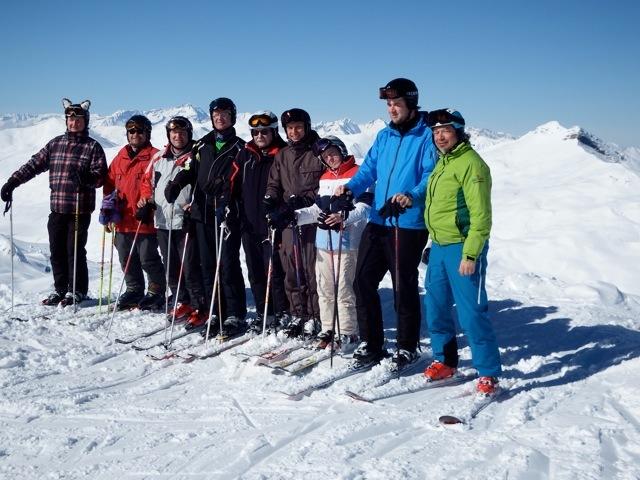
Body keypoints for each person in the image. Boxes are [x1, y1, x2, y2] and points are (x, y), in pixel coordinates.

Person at [335, 78, 437, 370]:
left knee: (403, 285)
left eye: (397, 103)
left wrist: (411, 197)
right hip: (379, 218)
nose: (391, 109)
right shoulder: (384, 135)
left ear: (411, 104)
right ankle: (372, 342)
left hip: (408, 222)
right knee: (362, 280)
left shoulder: (426, 136)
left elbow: (431, 176)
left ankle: (407, 346)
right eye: (389, 104)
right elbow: (369, 168)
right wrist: (351, 188)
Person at [421, 108, 501, 395]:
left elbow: (481, 216)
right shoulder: (442, 162)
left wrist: (470, 254)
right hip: (440, 246)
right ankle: (445, 361)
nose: (439, 136)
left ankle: (488, 373)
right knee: (436, 308)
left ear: (458, 131)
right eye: (435, 132)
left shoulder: (472, 164)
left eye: (445, 130)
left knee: (471, 313)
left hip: (463, 247)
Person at [1, 98, 107, 306]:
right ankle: (60, 289)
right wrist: (12, 182)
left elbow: (101, 177)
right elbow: (34, 164)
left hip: (79, 208)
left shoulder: (92, 147)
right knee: (56, 250)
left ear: (85, 121)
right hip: (57, 207)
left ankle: (77, 291)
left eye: (78, 119)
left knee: (74, 250)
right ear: (66, 120)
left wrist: (86, 178)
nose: (74, 123)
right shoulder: (55, 144)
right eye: (70, 119)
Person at [165, 98, 246, 335]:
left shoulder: (240, 147)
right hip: (202, 213)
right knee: (207, 265)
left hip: (227, 215)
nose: (219, 117)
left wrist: (227, 189)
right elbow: (191, 169)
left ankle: (234, 313)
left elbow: (243, 181)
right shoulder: (202, 145)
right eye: (215, 114)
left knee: (228, 264)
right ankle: (215, 310)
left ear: (232, 117)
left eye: (224, 113)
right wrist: (177, 183)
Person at [295, 136, 371, 350]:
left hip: (347, 242)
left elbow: (365, 209)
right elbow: (317, 210)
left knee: (344, 290)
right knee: (325, 289)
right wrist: (294, 216)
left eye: (333, 153)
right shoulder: (325, 178)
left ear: (342, 150)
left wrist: (343, 217)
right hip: (323, 242)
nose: (330, 158)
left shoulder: (358, 174)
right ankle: (328, 328)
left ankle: (347, 332)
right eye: (325, 156)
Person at [264, 108, 323, 338]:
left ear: (306, 127)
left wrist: (307, 199)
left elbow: (325, 184)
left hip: (311, 219)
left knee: (310, 268)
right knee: (291, 267)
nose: (294, 132)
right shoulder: (283, 154)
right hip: (289, 219)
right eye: (290, 128)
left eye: (298, 127)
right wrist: (270, 199)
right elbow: (274, 182)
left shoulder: (317, 151)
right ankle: (298, 313)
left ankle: (315, 316)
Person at [140, 116, 205, 323]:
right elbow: (147, 182)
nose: (178, 136)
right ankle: (181, 300)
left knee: (190, 266)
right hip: (162, 221)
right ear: (169, 135)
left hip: (185, 221)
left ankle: (198, 305)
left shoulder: (196, 157)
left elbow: (202, 186)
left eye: (183, 132)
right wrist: (147, 200)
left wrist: (194, 205)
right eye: (174, 133)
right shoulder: (159, 158)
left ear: (189, 134)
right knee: (171, 266)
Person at [232, 111, 290, 333]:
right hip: (249, 222)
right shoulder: (245, 154)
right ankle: (263, 311)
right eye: (255, 132)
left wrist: (282, 211)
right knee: (255, 270)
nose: (259, 135)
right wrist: (228, 204)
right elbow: (233, 183)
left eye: (264, 131)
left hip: (274, 223)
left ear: (274, 131)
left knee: (275, 271)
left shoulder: (282, 154)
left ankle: (281, 312)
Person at [103, 115, 166, 311]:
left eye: (140, 131)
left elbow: (162, 186)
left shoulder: (156, 156)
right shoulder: (120, 156)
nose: (135, 135)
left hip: (145, 218)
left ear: (147, 133)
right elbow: (109, 184)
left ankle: (156, 290)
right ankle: (134, 289)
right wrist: (107, 209)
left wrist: (150, 203)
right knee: (125, 257)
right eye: (132, 131)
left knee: (147, 256)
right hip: (123, 219)